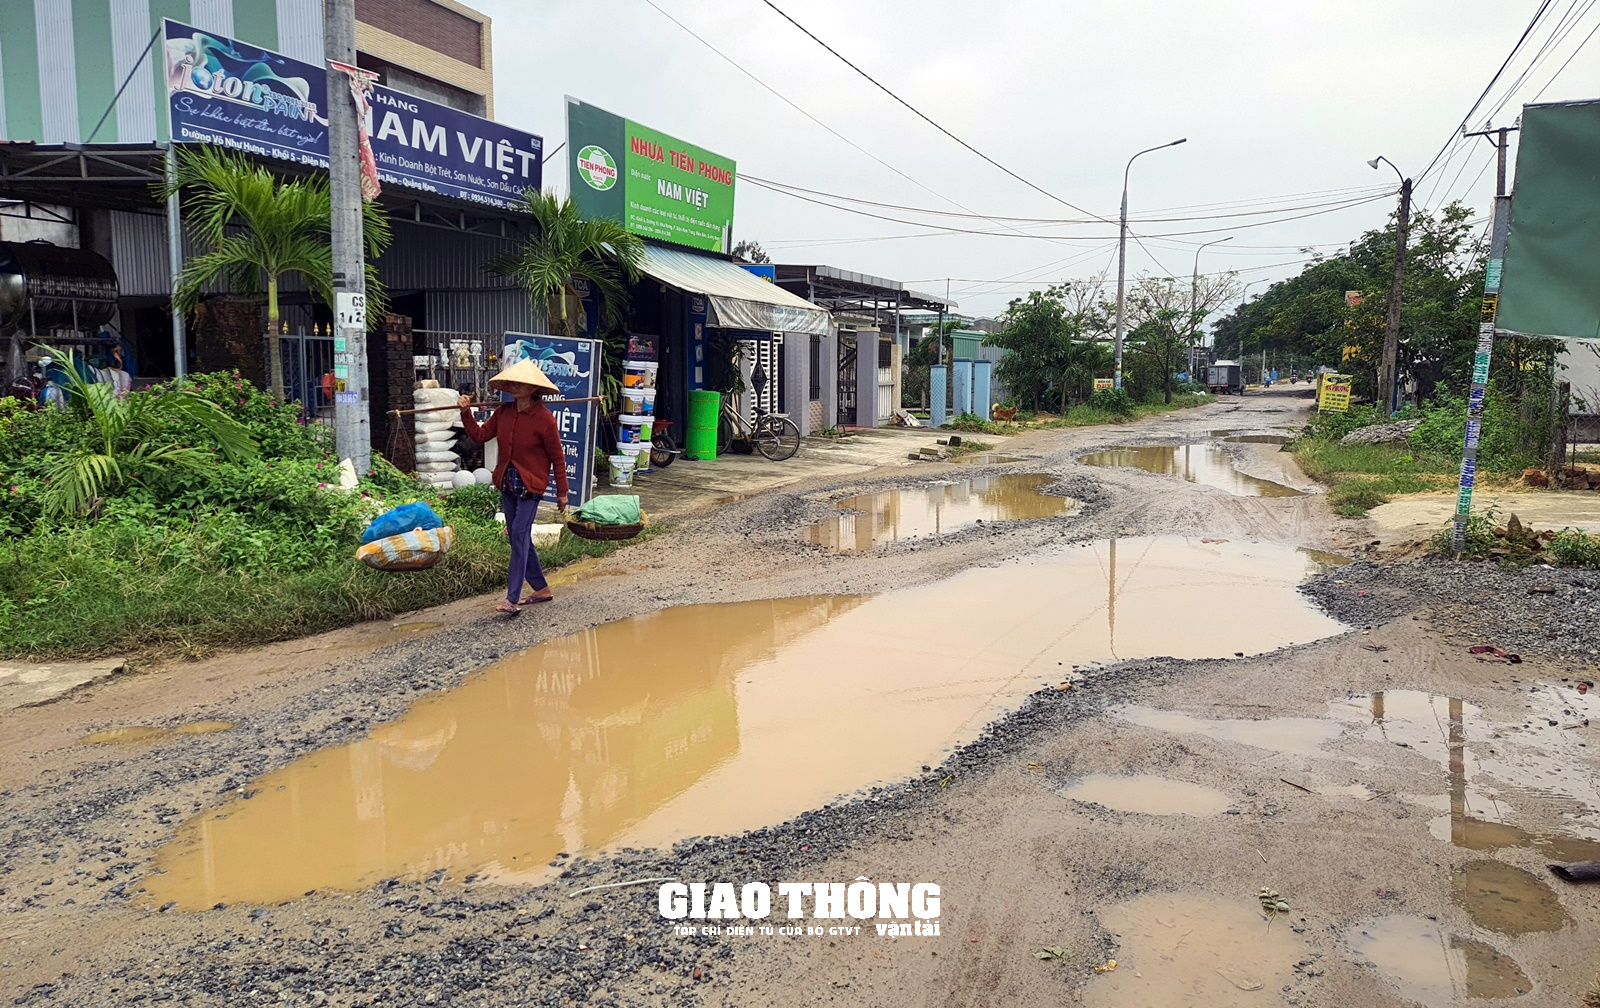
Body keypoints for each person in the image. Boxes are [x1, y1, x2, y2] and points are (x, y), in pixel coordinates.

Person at [459, 359, 568, 614]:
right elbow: (480, 436)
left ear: (533, 389)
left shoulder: (544, 419)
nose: (514, 387)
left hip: (531, 487)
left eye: (521, 383)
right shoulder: (504, 412)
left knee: (519, 535)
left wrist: (562, 492)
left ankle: (512, 598)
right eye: (513, 383)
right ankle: (541, 589)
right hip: (508, 482)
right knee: (519, 539)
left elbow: (557, 458)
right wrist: (465, 412)